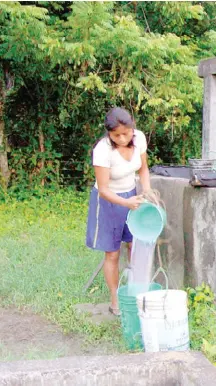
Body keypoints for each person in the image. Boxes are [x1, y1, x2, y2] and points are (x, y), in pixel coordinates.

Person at [85, 107, 151, 316]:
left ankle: (136, 292)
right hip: (108, 201)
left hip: (131, 195)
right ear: (109, 134)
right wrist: (126, 203)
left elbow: (143, 169)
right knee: (112, 253)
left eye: (126, 133)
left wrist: (147, 191)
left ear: (132, 128)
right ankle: (116, 301)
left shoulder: (139, 138)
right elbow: (103, 189)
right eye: (116, 135)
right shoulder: (102, 150)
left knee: (135, 245)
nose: (122, 139)